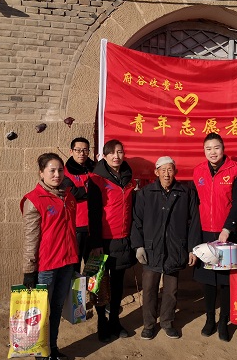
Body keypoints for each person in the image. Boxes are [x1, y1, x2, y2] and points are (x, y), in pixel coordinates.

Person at [131, 156, 202, 340]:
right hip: (151, 249)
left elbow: (194, 222)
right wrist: (138, 246)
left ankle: (167, 322)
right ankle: (148, 324)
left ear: (175, 172)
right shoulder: (145, 193)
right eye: (163, 170)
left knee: (171, 290)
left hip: (175, 249)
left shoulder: (186, 193)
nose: (166, 174)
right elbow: (136, 221)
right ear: (156, 172)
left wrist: (192, 249)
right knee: (149, 289)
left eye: (170, 170)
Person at [21, 153, 79, 360]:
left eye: (60, 170)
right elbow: (31, 239)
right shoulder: (34, 200)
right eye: (52, 170)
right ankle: (41, 353)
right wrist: (29, 270)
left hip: (66, 262)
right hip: (46, 267)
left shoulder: (68, 197)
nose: (57, 175)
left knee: (56, 308)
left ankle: (52, 347)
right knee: (42, 311)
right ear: (41, 173)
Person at [192, 133, 237, 342]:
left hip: (227, 235)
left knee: (224, 280)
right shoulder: (198, 171)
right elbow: (196, 203)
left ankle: (224, 320)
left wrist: (227, 228)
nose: (212, 152)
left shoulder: (236, 169)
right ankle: (209, 319)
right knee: (208, 280)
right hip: (205, 233)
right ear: (204, 151)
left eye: (216, 148)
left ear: (223, 149)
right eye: (208, 149)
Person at [88, 139, 136, 342]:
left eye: (120, 152)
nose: (116, 156)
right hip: (102, 241)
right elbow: (93, 213)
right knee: (99, 284)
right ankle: (102, 322)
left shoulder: (128, 177)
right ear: (104, 156)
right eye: (112, 153)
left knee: (117, 285)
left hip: (122, 239)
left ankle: (115, 321)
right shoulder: (96, 179)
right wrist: (96, 243)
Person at [64, 137, 95, 272]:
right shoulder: (65, 171)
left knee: (93, 264)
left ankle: (92, 286)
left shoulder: (94, 168)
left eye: (85, 150)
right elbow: (73, 193)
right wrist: (90, 190)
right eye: (78, 150)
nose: (81, 153)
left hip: (94, 224)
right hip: (77, 225)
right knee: (74, 264)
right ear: (71, 151)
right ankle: (75, 286)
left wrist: (85, 190)